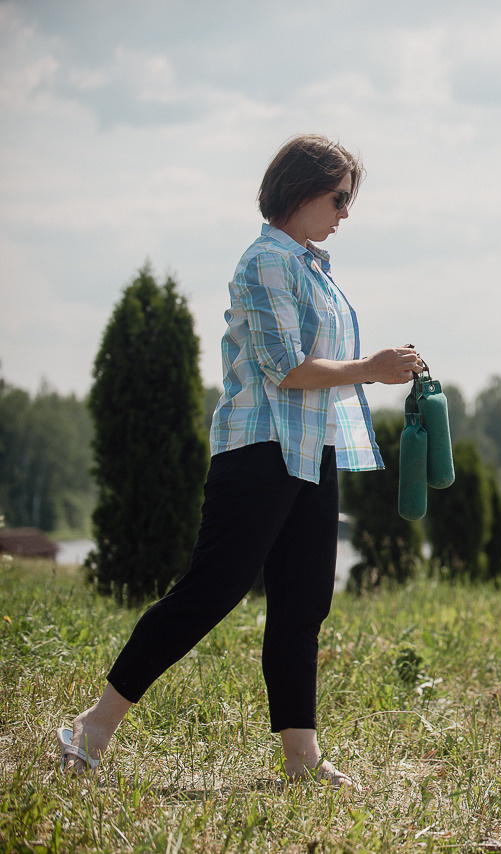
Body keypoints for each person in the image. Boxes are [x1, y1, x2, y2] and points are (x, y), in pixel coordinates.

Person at [56, 134, 421, 791]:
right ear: (299, 190)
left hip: (311, 449)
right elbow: (286, 369)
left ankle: (302, 760)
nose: (346, 211)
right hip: (259, 451)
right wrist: (373, 368)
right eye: (339, 196)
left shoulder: (311, 267)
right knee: (211, 591)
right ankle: (93, 726)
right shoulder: (266, 262)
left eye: (350, 199)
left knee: (303, 603)